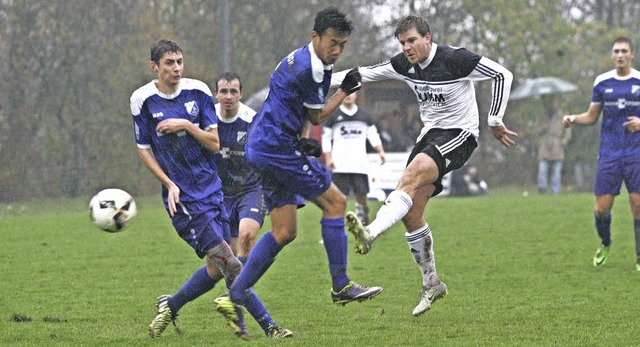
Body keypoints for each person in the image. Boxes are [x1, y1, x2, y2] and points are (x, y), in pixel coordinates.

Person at [332, 15, 516, 316]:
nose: (407, 47)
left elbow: (502, 75)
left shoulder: (455, 59)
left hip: (461, 135)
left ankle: (371, 232)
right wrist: (315, 78)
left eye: (412, 40)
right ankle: (432, 283)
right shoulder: (404, 65)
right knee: (411, 212)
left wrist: (494, 119)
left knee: (411, 174)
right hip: (430, 136)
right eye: (402, 42)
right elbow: (361, 74)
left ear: (427, 38)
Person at [213, 8, 383, 331]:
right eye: (333, 43)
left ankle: (236, 291)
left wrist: (302, 138)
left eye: (343, 45)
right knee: (336, 202)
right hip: (276, 147)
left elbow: (296, 107)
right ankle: (341, 285)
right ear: (315, 37)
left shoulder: (298, 59)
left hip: (263, 144)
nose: (337, 51)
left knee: (284, 230)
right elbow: (318, 116)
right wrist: (345, 89)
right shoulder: (314, 70)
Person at [132, 39, 250, 340]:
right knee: (230, 262)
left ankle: (171, 306)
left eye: (179, 62)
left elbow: (213, 143)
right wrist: (168, 183)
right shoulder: (142, 100)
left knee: (215, 269)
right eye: (169, 63)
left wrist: (185, 123)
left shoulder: (197, 91)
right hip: (184, 198)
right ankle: (268, 327)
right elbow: (144, 149)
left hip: (212, 190)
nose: (176, 68)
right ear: (154, 67)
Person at [212, 72, 293, 338]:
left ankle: (265, 323)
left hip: (251, 189)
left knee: (247, 236)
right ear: (216, 94)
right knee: (222, 266)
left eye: (233, 91)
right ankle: (175, 303)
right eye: (223, 91)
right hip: (220, 196)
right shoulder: (207, 121)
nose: (228, 97)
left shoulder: (251, 120)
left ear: (241, 93)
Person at [562, 36, 640, 271]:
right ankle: (605, 242)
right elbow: (592, 115)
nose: (620, 55)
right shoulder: (602, 82)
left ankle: (639, 257)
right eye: (616, 51)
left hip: (636, 152)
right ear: (611, 55)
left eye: (624, 51)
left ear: (632, 54)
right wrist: (574, 118)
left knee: (637, 205)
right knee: (601, 209)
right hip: (609, 153)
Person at [322, 91, 386, 224]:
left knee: (362, 195)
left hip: (359, 164)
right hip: (339, 165)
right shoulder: (333, 116)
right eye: (346, 93)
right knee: (338, 198)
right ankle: (336, 225)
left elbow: (373, 135)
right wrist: (328, 158)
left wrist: (380, 151)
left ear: (356, 95)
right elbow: (326, 138)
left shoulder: (365, 116)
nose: (348, 96)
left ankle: (364, 225)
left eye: (351, 93)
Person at [537, 96, 571, 195]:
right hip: (545, 145)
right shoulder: (543, 117)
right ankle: (542, 189)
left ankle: (555, 192)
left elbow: (567, 133)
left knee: (556, 171)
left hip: (557, 145)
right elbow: (536, 130)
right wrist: (544, 127)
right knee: (542, 169)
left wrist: (562, 142)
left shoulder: (563, 117)